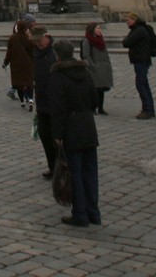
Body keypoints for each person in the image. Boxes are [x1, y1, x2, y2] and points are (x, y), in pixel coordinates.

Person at [46, 41, 101, 227]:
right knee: (90, 172)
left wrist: (57, 134)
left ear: (57, 55)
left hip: (70, 129)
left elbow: (58, 109)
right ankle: (94, 212)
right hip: (88, 127)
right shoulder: (85, 73)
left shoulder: (57, 76)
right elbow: (95, 100)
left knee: (75, 173)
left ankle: (80, 214)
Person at [30, 27, 58, 177]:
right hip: (41, 102)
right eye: (35, 42)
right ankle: (52, 166)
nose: (38, 44)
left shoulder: (55, 53)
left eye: (39, 41)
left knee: (58, 139)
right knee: (45, 136)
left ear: (47, 37)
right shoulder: (37, 52)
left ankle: (62, 167)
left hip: (55, 103)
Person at [121, 12, 156, 119]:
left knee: (141, 84)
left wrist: (127, 39)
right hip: (142, 60)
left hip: (141, 60)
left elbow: (126, 42)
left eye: (128, 20)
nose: (127, 22)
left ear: (134, 20)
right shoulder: (139, 29)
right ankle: (149, 109)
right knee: (144, 84)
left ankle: (147, 110)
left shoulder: (138, 30)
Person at [79, 21, 113, 115]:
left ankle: (101, 108)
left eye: (99, 28)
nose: (99, 30)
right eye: (97, 28)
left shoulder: (100, 39)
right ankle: (93, 107)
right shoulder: (87, 40)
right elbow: (86, 55)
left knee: (102, 89)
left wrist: (108, 63)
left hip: (104, 67)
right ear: (92, 30)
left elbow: (105, 52)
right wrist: (93, 66)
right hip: (94, 68)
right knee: (94, 89)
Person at [3, 18, 35, 109]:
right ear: (25, 28)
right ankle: (31, 100)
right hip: (27, 64)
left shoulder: (12, 38)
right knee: (29, 82)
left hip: (16, 64)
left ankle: (22, 102)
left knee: (19, 83)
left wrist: (5, 62)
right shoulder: (28, 38)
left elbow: (9, 52)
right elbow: (32, 52)